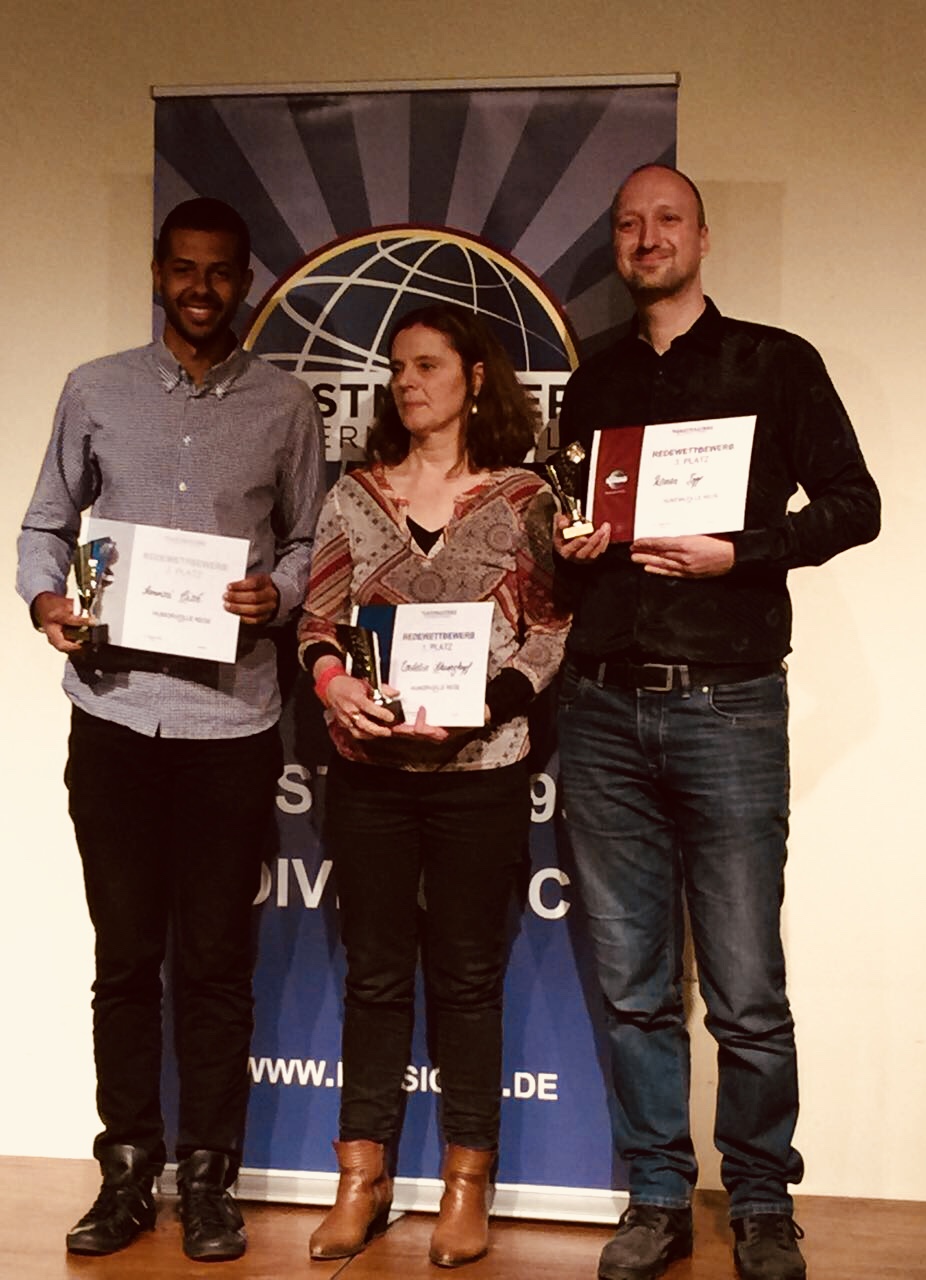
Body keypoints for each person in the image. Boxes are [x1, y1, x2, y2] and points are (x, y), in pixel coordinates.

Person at [553, 166, 880, 1280]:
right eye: (629, 224)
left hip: (728, 705)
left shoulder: (776, 363)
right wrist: (574, 543)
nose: (647, 237)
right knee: (635, 985)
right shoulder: (594, 380)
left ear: (702, 236)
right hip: (601, 708)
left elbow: (855, 505)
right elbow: (576, 531)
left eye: (667, 220)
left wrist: (736, 553)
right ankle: (656, 1194)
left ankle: (761, 1200)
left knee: (744, 983)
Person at [16, 198, 323, 1262]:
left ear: (245, 281)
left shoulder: (286, 405)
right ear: (159, 273)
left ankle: (209, 1178)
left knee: (218, 963)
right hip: (114, 716)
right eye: (184, 269)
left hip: (230, 723)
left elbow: (308, 543)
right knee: (125, 959)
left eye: (220, 271)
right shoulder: (94, 389)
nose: (201, 287)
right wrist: (46, 601)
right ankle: (126, 1170)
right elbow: (46, 523)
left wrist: (278, 595)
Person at [297, 302, 569, 1268]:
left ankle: (465, 1182)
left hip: (480, 770)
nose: (408, 383)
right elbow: (317, 620)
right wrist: (334, 685)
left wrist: (491, 702)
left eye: (428, 366)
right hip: (371, 772)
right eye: (398, 368)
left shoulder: (525, 499)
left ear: (474, 378)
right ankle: (361, 1179)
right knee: (375, 974)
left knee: (467, 977)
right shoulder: (354, 497)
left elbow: (550, 630)